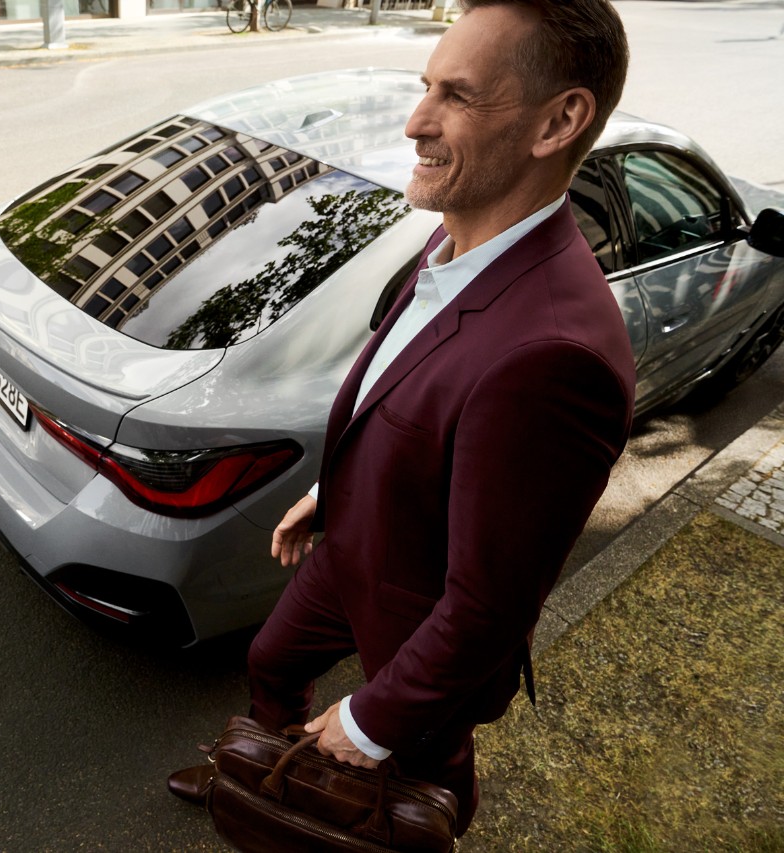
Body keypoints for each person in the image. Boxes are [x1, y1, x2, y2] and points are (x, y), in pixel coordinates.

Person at [167, 0, 635, 838]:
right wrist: (335, 485)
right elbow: (414, 391)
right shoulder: (460, 232)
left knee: (420, 775)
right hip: (356, 541)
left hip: (421, 615)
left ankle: (369, 819)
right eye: (425, 86)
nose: (416, 121)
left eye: (457, 95)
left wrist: (371, 720)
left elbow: (490, 606)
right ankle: (258, 776)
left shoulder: (557, 356)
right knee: (271, 660)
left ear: (558, 121)